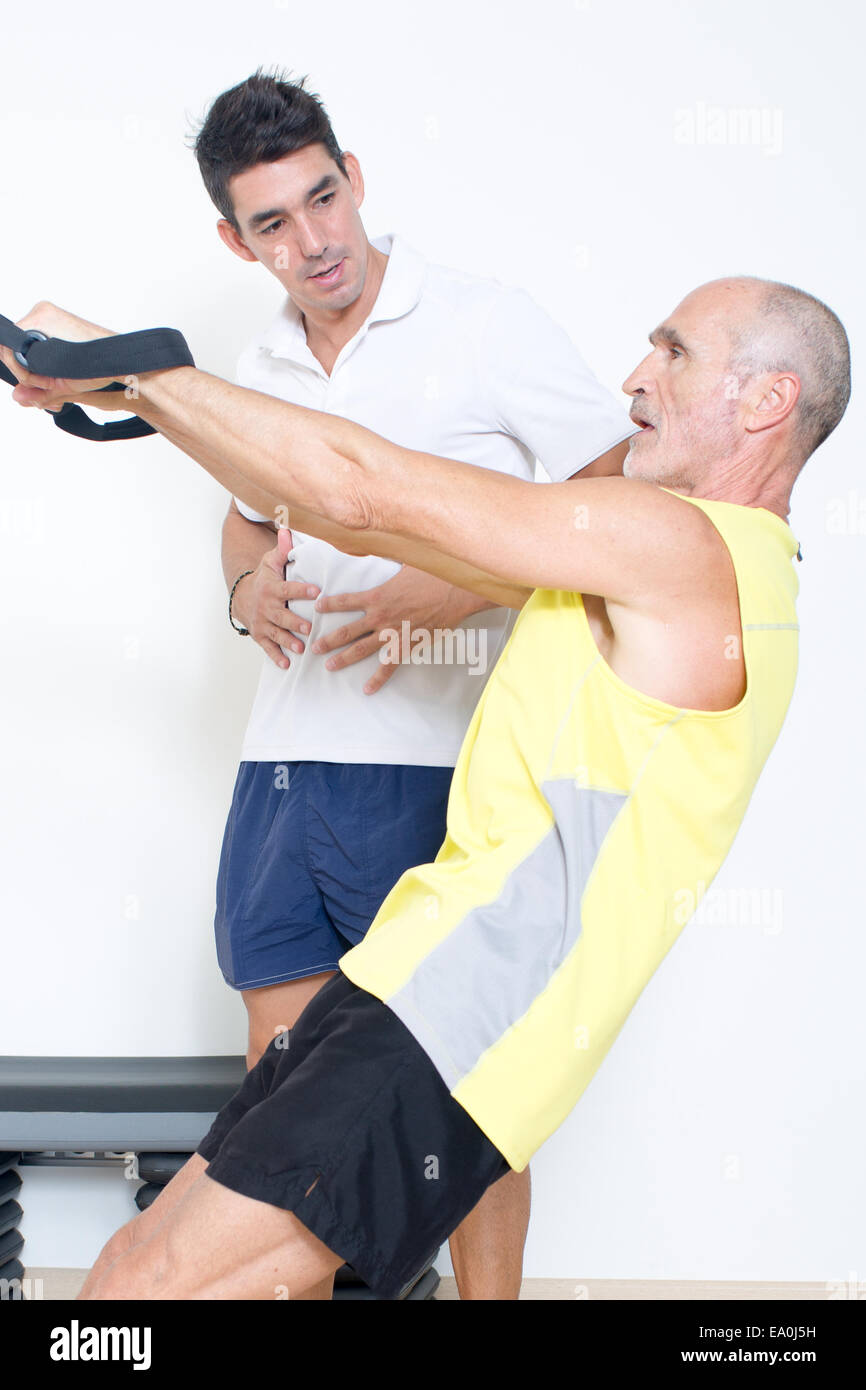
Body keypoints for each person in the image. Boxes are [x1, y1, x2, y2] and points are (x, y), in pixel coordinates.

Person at [3, 273, 849, 1301]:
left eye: (672, 352)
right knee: (128, 1273)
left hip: (455, 1022)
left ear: (764, 401)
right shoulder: (655, 554)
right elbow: (349, 521)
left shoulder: (684, 552)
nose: (634, 376)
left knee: (145, 1296)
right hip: (407, 979)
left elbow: (363, 488)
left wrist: (124, 356)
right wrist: (133, 393)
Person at [192, 67, 635, 1297]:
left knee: (468, 1093)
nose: (313, 238)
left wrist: (468, 581)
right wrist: (244, 592)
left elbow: (619, 498)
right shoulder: (257, 364)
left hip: (440, 771)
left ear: (356, 179)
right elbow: (238, 527)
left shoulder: (485, 322)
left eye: (322, 197)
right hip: (280, 770)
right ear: (235, 240)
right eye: (272, 221)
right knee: (281, 1091)